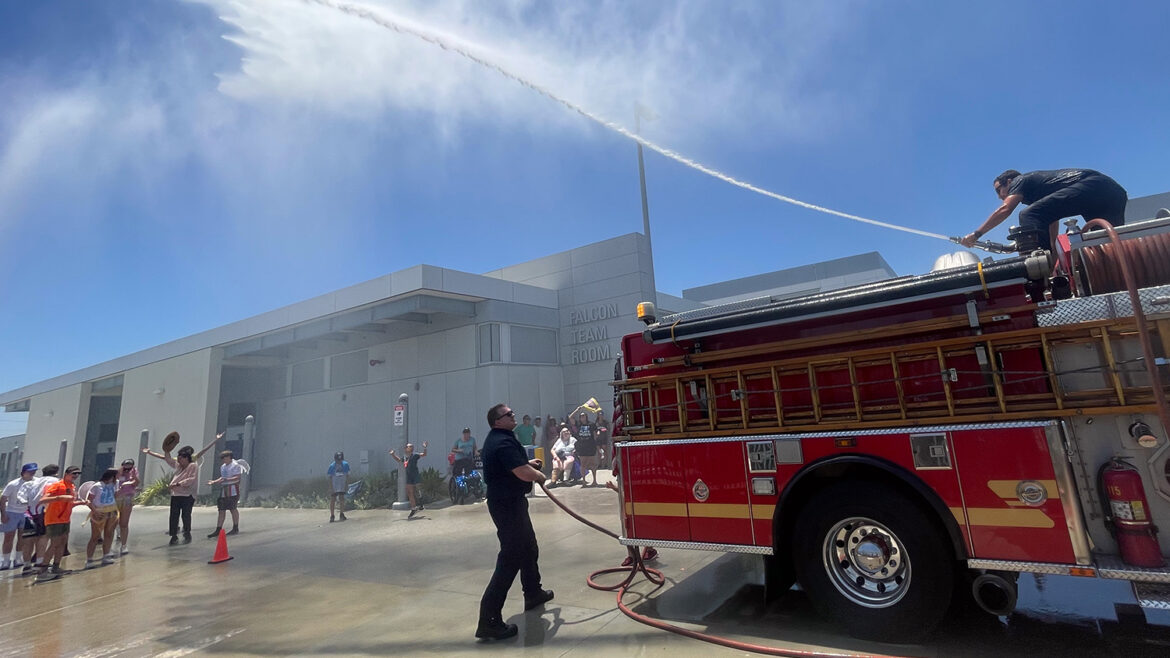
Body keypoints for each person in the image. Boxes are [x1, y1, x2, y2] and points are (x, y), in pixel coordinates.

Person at [475, 403, 553, 641]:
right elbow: (520, 472)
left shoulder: (503, 438)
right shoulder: (502, 441)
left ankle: (533, 592)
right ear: (497, 421)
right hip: (506, 505)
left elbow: (514, 467)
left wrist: (530, 466)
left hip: (512, 502)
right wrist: (538, 475)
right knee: (510, 558)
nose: (513, 415)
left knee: (528, 547)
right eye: (508, 414)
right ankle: (488, 620)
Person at [960, 168, 1128, 252]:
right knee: (1104, 247)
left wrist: (977, 234)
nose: (999, 196)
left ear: (1009, 182)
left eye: (999, 190)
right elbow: (1051, 222)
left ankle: (1037, 271)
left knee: (1028, 214)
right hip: (1113, 193)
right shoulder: (1039, 195)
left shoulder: (1020, 180)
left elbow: (1005, 209)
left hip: (1093, 184)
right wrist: (1055, 254)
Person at [143, 431, 222, 544]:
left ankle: (187, 532)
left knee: (186, 515)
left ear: (187, 457)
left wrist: (216, 440)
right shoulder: (178, 465)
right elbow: (167, 459)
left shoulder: (193, 465)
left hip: (187, 495)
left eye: (181, 457)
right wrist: (159, 452)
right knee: (174, 516)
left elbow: (191, 479)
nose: (179, 459)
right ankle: (174, 535)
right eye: (179, 457)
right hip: (176, 494)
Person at [37, 465, 83, 582]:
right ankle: (42, 571)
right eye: (74, 474)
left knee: (62, 543)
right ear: (66, 473)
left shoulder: (72, 486)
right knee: (54, 544)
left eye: (78, 474)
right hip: (54, 519)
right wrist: (59, 497)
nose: (76, 476)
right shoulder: (57, 485)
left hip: (65, 519)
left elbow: (69, 503)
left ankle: (56, 567)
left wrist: (80, 503)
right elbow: (43, 500)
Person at [18, 464, 59, 577]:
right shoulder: (55, 481)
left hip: (29, 514)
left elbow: (21, 498)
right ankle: (39, 563)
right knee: (43, 538)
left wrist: (29, 504)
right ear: (56, 473)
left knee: (28, 540)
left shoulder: (31, 483)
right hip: (44, 513)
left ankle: (26, 566)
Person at [0, 463, 37, 571]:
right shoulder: (14, 484)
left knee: (23, 537)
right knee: (9, 537)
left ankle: (18, 558)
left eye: (33, 471)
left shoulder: (35, 482)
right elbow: (3, 498)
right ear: (23, 472)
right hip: (12, 512)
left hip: (26, 513)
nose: (32, 474)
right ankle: (5, 560)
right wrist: (3, 514)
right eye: (30, 472)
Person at [85, 468, 119, 568]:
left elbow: (115, 496)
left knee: (109, 534)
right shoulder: (97, 486)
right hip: (99, 511)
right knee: (95, 537)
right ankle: (89, 559)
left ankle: (106, 555)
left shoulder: (115, 484)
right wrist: (94, 511)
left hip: (111, 510)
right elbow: (89, 500)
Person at [206, 449, 244, 537]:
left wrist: (227, 479)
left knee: (232, 508)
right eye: (222, 458)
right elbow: (222, 478)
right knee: (221, 510)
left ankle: (235, 527)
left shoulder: (236, 465)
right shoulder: (223, 466)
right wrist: (214, 482)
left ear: (229, 457)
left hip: (233, 490)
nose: (223, 460)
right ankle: (218, 529)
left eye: (224, 458)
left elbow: (237, 477)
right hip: (224, 489)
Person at [389, 441, 428, 518]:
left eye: (408, 447)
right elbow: (399, 460)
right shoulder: (405, 457)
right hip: (409, 476)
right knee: (409, 492)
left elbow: (424, 454)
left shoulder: (415, 455)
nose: (406, 448)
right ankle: (414, 508)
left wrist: (425, 448)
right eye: (406, 447)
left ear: (411, 448)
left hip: (415, 475)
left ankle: (421, 502)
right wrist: (393, 455)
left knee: (418, 488)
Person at [114, 459, 139, 555]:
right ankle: (116, 534)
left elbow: (136, 483)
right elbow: (114, 480)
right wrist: (120, 472)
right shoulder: (119, 472)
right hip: (116, 498)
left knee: (124, 523)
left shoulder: (134, 472)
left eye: (129, 465)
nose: (127, 468)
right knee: (114, 521)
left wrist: (134, 476)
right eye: (125, 465)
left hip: (127, 497)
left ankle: (124, 545)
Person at [574, 412, 600, 487]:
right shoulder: (578, 425)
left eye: (584, 416)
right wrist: (577, 410)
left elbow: (596, 432)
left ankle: (594, 481)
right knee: (583, 464)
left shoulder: (591, 424)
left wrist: (597, 435)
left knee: (593, 464)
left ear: (586, 416)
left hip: (591, 446)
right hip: (582, 447)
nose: (582, 417)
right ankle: (584, 482)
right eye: (581, 416)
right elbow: (570, 418)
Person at [327, 452, 350, 522]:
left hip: (342, 485)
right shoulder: (332, 466)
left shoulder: (345, 465)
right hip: (334, 485)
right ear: (335, 459)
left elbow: (348, 476)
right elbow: (330, 477)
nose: (339, 461)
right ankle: (332, 515)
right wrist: (331, 488)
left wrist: (347, 485)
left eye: (340, 460)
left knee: (342, 498)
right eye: (337, 460)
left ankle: (341, 513)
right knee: (333, 499)